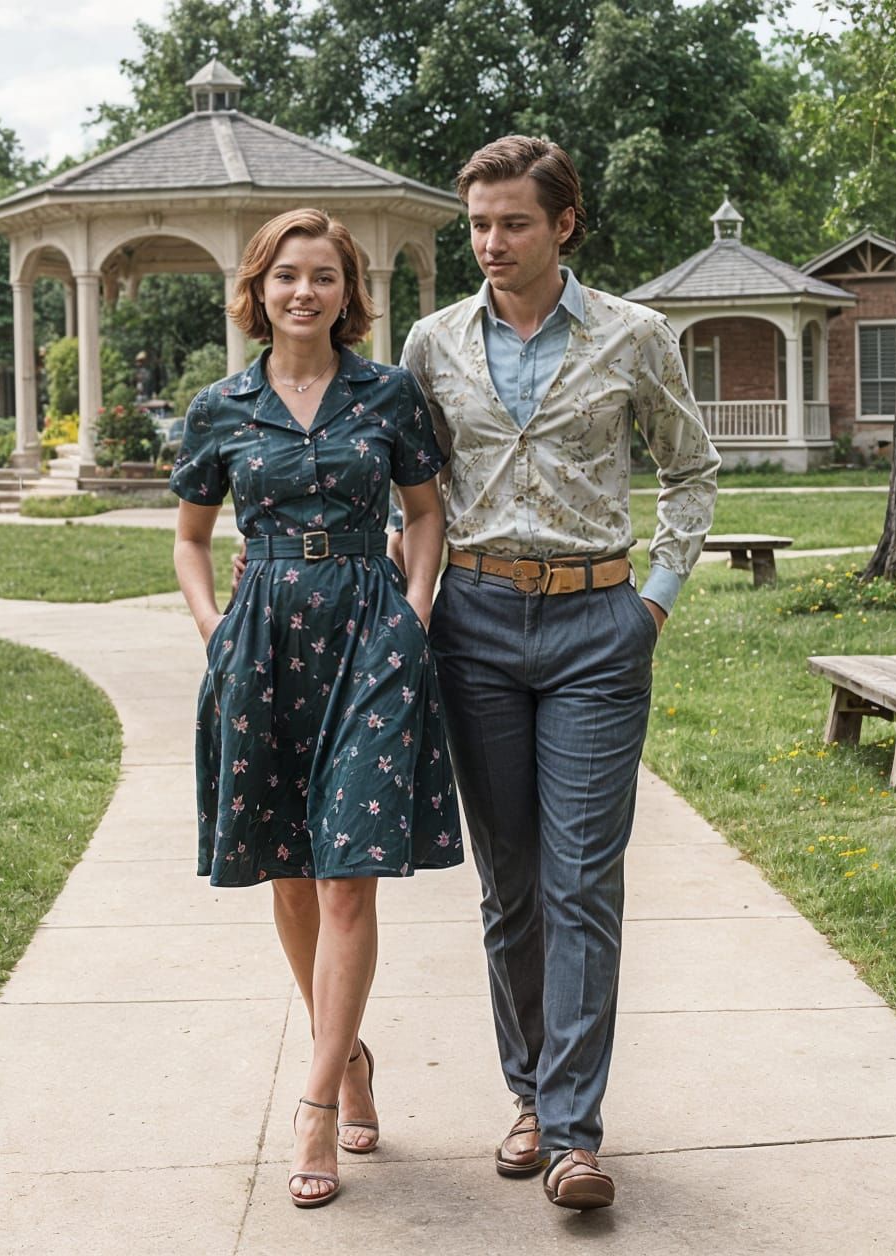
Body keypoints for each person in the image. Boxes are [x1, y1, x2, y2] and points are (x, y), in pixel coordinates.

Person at [398, 136, 720, 1210]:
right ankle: (528, 1094)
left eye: (513, 223)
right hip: (474, 626)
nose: (490, 243)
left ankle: (575, 1132)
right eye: (478, 224)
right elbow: (410, 487)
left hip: (597, 627)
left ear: (562, 223)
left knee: (584, 879)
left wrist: (654, 601)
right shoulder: (433, 341)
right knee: (512, 886)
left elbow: (689, 467)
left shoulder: (635, 334)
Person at [171, 208, 463, 1210]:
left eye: (324, 277)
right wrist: (212, 625)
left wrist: (416, 611)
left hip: (371, 630)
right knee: (288, 871)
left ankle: (312, 1104)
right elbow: (190, 535)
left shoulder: (387, 394)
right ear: (258, 289)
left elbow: (424, 515)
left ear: (349, 292)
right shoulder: (220, 406)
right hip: (261, 645)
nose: (305, 292)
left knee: (347, 875)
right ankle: (349, 1057)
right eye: (287, 276)